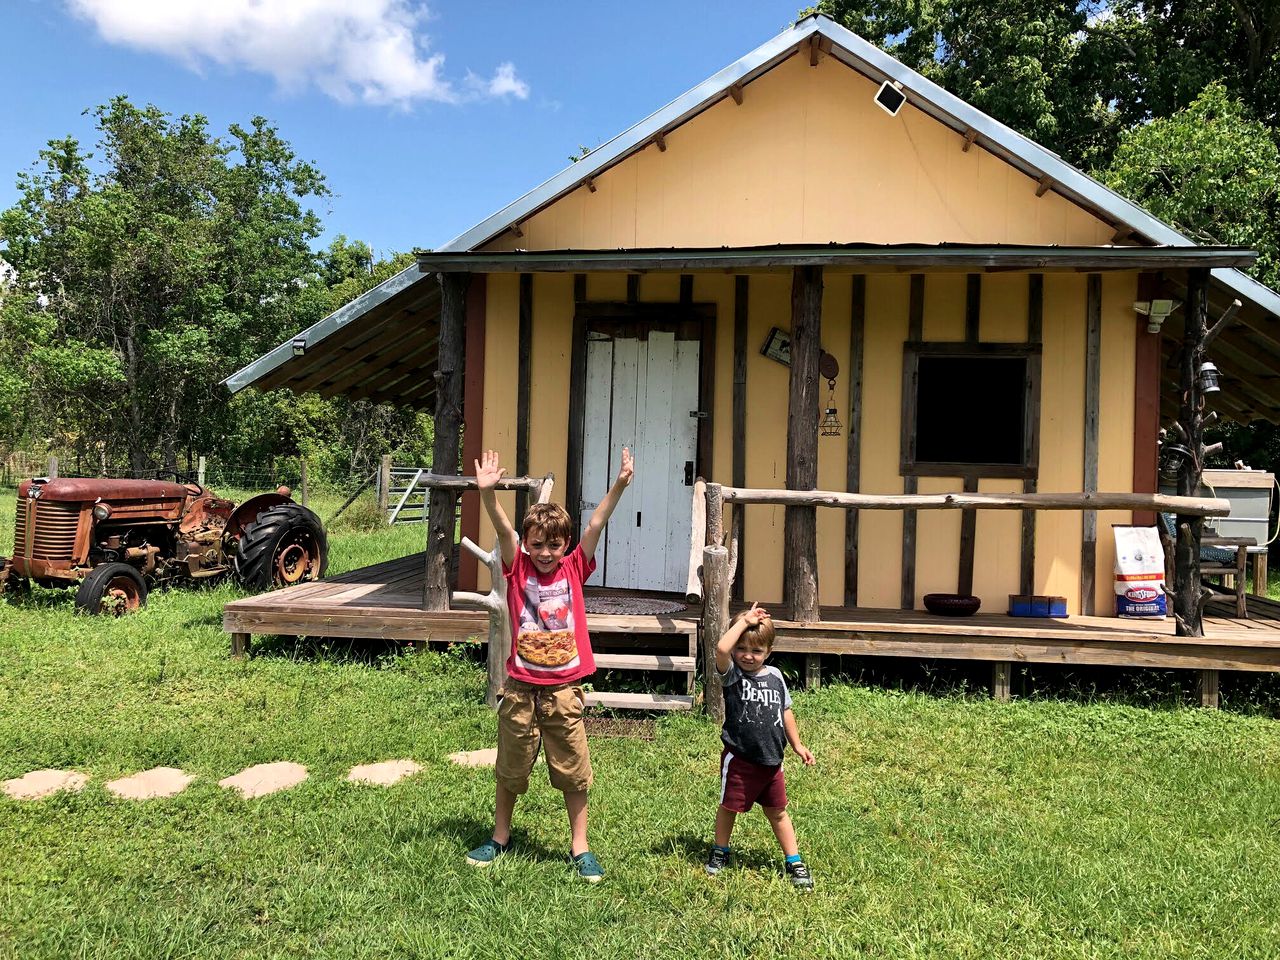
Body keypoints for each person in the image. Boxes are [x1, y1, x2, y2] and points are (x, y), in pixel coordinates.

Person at [464, 446, 634, 883]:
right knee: (510, 767)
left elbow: (596, 523)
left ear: (565, 545)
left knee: (574, 770)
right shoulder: (516, 566)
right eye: (537, 544)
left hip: (564, 689)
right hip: (521, 688)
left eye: (553, 544)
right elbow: (504, 530)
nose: (544, 552)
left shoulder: (575, 567)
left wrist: (618, 486)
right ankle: (500, 837)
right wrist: (488, 495)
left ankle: (581, 846)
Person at [706, 603, 816, 889]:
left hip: (771, 761)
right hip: (740, 759)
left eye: (756, 651)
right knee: (729, 806)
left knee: (778, 811)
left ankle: (794, 860)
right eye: (741, 648)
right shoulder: (732, 675)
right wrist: (743, 622)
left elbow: (786, 712)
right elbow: (720, 648)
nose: (747, 655)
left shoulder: (776, 677)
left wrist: (797, 745)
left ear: (768, 651)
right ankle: (721, 850)